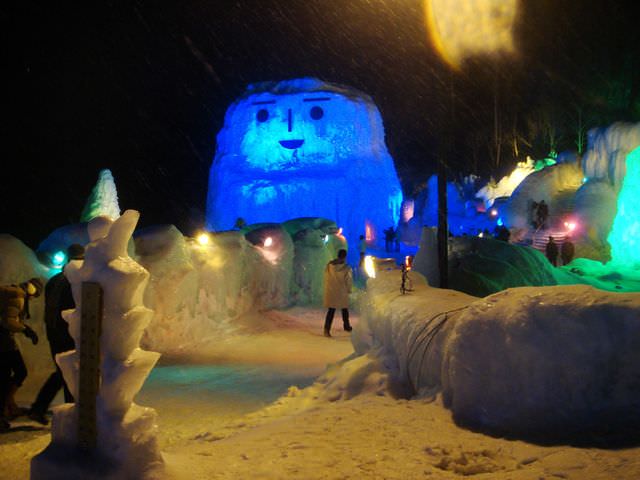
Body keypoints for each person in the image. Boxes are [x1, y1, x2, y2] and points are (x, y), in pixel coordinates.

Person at [28, 244, 84, 425]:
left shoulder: (55, 280)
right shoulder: (74, 280)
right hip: (67, 333)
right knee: (66, 371)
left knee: (66, 371)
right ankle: (41, 408)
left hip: (54, 333)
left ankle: (69, 409)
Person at [0, 277, 43, 432]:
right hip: (3, 342)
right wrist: (26, 330)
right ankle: (5, 409)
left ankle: (8, 406)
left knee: (7, 374)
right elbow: (8, 322)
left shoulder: (12, 292)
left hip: (4, 341)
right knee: (17, 372)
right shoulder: (17, 297)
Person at [322, 249, 352, 337]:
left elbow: (326, 276)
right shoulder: (346, 268)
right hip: (341, 291)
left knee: (331, 310)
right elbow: (348, 280)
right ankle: (346, 326)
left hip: (331, 290)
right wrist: (349, 290)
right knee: (344, 309)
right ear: (345, 256)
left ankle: (326, 329)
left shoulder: (329, 265)